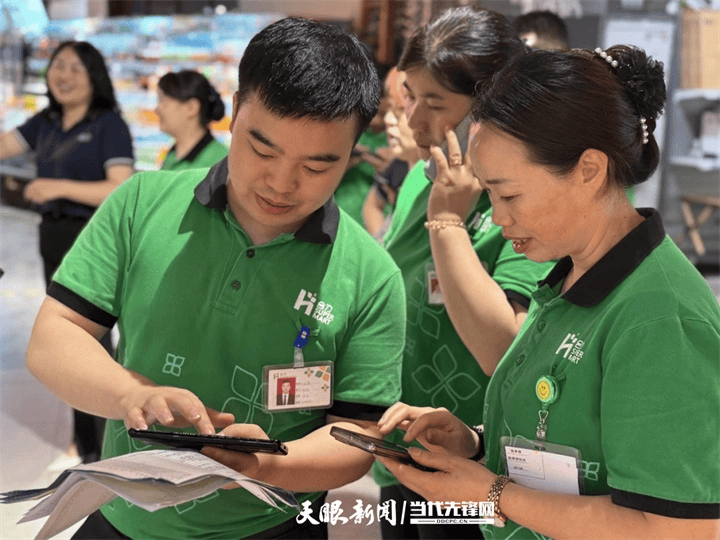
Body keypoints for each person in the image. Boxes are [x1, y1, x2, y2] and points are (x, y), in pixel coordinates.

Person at [26, 17, 406, 540]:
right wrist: (130, 395)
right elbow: (54, 337)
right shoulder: (142, 204)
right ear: (234, 110)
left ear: (354, 151)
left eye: (317, 167)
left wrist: (268, 464)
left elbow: (358, 436)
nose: (281, 183)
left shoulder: (372, 275)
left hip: (273, 526)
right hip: (124, 516)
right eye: (263, 149)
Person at [376, 45, 720, 540]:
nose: (498, 217)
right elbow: (577, 447)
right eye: (489, 194)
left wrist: (492, 493)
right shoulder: (573, 275)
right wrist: (476, 443)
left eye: (509, 194)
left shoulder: (659, 316)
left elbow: (675, 528)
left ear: (589, 170)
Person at [371, 7, 554, 540]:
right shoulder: (423, 176)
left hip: (477, 461)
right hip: (404, 448)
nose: (413, 122)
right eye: (410, 97)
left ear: (492, 109)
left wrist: (449, 221)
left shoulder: (522, 203)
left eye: (436, 105)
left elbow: (505, 349)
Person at [0, 40, 135, 464]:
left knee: (93, 340)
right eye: (58, 66)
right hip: (52, 237)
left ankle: (107, 446)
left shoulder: (109, 124)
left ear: (95, 77)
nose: (64, 75)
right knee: (63, 337)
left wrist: (55, 187)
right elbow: (4, 145)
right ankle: (87, 442)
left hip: (92, 239)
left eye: (77, 68)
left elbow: (120, 186)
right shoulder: (47, 121)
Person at [362, 67, 420, 239]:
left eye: (400, 111)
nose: (388, 120)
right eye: (388, 111)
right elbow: (372, 206)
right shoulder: (399, 165)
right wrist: (382, 245)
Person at [155, 69, 228, 170]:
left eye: (163, 101)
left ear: (191, 108)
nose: (156, 109)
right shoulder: (172, 155)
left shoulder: (220, 162)